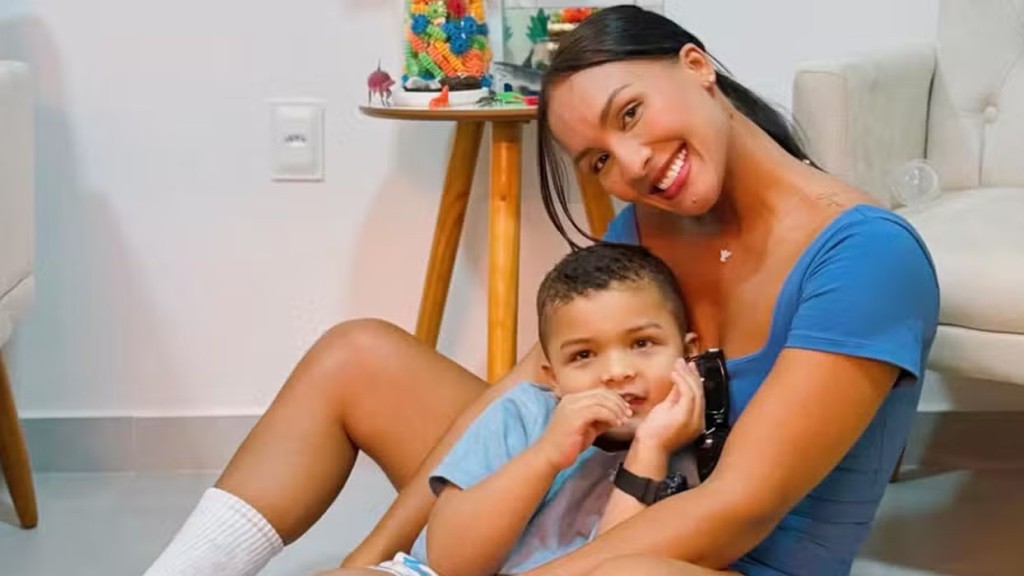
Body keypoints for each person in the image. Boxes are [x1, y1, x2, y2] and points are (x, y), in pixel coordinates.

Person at [144, 6, 940, 576]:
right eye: (598, 161)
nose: (633, 163)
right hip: (592, 521)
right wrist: (373, 562)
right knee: (358, 355)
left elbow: (740, 508)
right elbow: (527, 385)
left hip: (710, 559)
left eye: (632, 113)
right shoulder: (648, 225)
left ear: (697, 67)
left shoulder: (865, 256)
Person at [357, 243, 707, 576]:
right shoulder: (523, 414)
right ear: (553, 378)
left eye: (642, 343)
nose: (616, 372)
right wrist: (547, 454)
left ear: (690, 352)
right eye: (583, 355)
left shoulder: (690, 451)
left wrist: (649, 451)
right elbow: (448, 562)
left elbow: (614, 564)